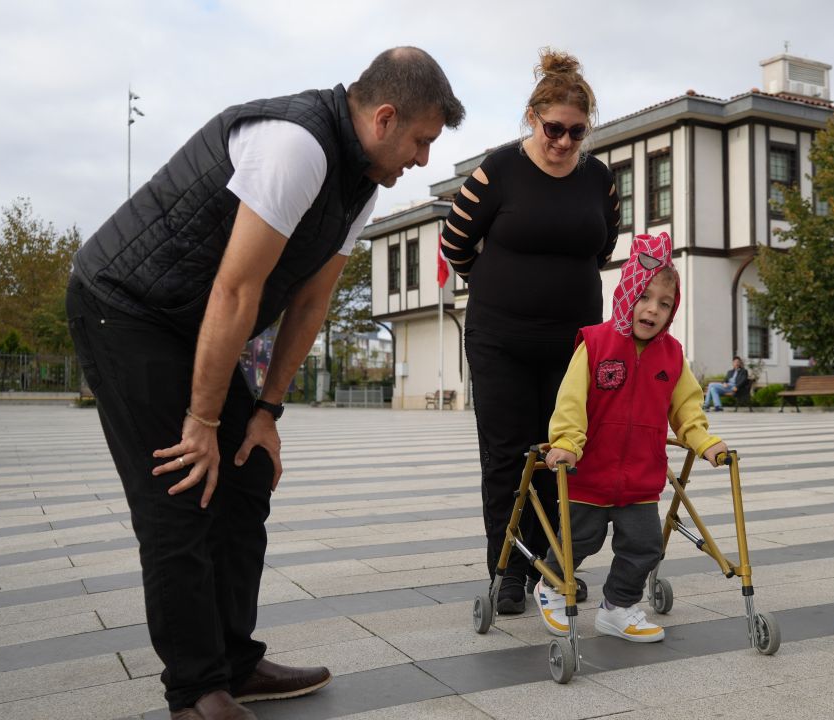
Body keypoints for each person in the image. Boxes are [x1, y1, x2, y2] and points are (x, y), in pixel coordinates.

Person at [67, 48, 463, 719]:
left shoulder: (361, 182)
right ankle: (195, 691)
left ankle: (235, 664)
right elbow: (237, 288)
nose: (423, 159)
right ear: (384, 118)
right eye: (422, 141)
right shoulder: (296, 147)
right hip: (125, 305)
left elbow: (310, 302)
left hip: (194, 319)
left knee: (246, 470)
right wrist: (200, 421)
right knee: (182, 487)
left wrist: (266, 413)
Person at [440, 49, 619, 614]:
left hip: (574, 345)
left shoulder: (599, 179)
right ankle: (508, 570)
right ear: (532, 118)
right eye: (553, 129)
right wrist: (498, 286)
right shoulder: (498, 170)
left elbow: (605, 245)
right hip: (501, 342)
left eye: (575, 131)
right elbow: (454, 246)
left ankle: (552, 566)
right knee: (508, 457)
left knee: (562, 454)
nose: (563, 141)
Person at [537, 232, 727, 642]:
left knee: (645, 547)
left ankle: (618, 606)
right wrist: (566, 443)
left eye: (664, 303)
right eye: (645, 297)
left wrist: (704, 441)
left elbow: (687, 408)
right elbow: (571, 401)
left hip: (641, 477)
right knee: (578, 540)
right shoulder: (596, 343)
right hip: (589, 473)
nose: (653, 309)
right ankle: (551, 585)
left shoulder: (672, 355)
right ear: (626, 294)